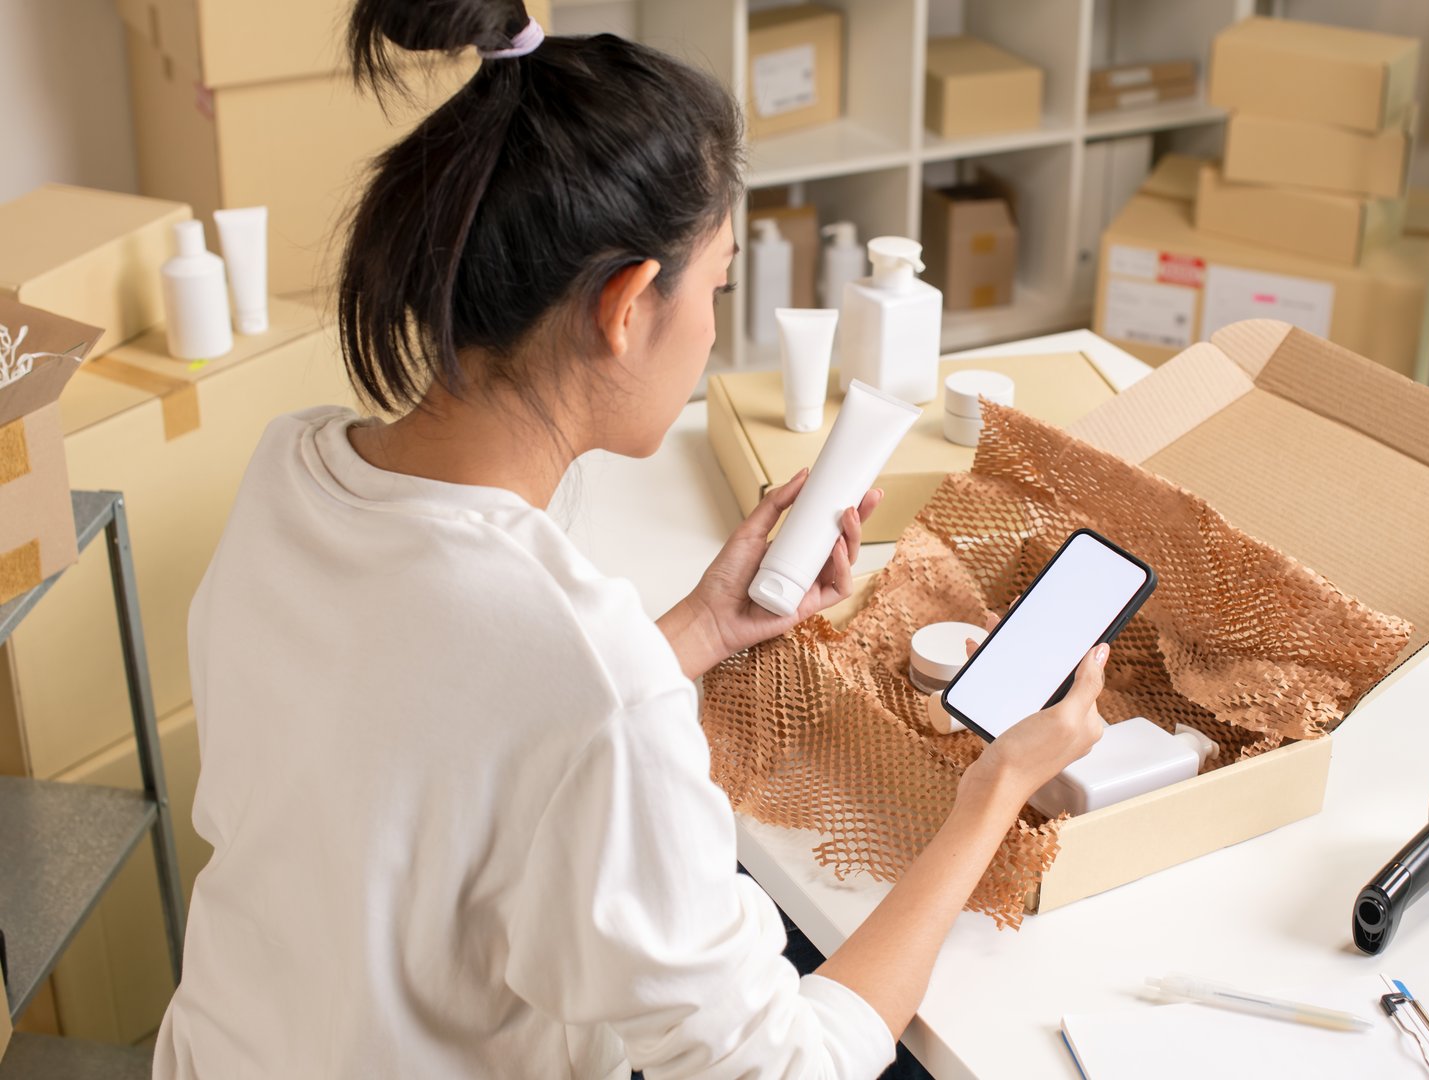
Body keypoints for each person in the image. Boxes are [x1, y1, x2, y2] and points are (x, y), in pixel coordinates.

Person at [152, 3, 1111, 1077]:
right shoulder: (586, 674)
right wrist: (993, 793)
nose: (713, 329)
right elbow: (787, 1067)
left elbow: (439, 725)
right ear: (626, 305)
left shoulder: (294, 471)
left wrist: (700, 627)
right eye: (718, 286)